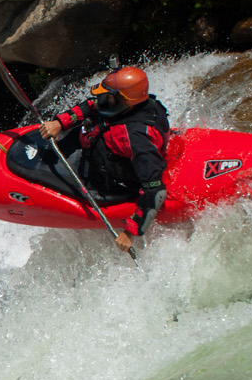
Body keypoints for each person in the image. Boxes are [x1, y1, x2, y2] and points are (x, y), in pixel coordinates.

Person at [30, 66, 169, 252]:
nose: (103, 100)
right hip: (100, 153)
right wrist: (59, 122)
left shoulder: (136, 139)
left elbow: (155, 190)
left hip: (112, 181)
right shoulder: (127, 105)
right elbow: (91, 105)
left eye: (109, 97)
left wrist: (130, 233)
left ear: (125, 101)